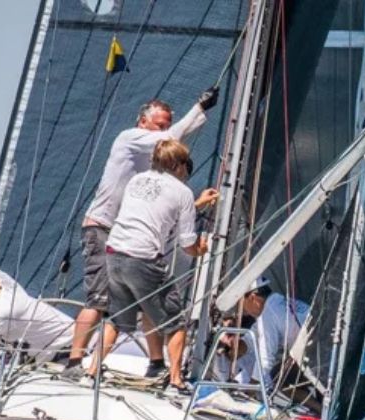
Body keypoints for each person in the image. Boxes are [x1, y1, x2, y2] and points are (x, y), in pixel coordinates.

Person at [67, 87, 221, 377]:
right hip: (102, 227)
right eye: (159, 124)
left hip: (124, 237)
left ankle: (156, 363)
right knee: (99, 300)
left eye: (165, 124)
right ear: (143, 123)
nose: (163, 130)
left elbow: (162, 210)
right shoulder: (129, 138)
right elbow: (170, 138)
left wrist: (195, 204)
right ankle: (75, 362)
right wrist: (199, 108)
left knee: (144, 303)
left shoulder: (152, 174)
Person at [105, 139, 215, 392]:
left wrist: (195, 205)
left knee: (116, 318)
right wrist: (202, 249)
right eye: (187, 164)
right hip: (144, 258)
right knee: (176, 323)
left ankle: (90, 372)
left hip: (114, 251)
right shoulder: (182, 191)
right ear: (178, 165)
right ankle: (176, 380)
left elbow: (153, 210)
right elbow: (188, 244)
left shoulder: (138, 180)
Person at [238, 277, 310, 391]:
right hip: (316, 343)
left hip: (313, 352)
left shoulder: (267, 313)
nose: (244, 312)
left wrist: (252, 386)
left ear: (253, 298)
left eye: (242, 305)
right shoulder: (276, 300)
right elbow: (256, 333)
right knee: (286, 370)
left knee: (278, 377)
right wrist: (239, 345)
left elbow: (265, 358)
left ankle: (317, 408)